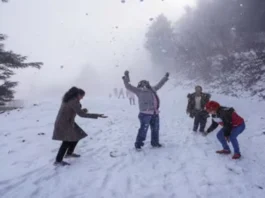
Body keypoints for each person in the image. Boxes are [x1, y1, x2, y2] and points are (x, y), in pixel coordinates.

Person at [52, 87, 107, 166]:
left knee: (77, 135)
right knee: (67, 141)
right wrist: (97, 115)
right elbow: (81, 114)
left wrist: (82, 110)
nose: (82, 97)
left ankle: (69, 153)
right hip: (64, 123)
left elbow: (75, 111)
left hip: (67, 122)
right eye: (82, 96)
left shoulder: (69, 100)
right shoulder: (73, 101)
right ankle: (58, 161)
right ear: (77, 94)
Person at [122, 70, 169, 150]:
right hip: (145, 114)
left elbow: (160, 84)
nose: (144, 84)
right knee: (143, 130)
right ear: (140, 85)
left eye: (145, 83)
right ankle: (138, 145)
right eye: (142, 83)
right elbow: (128, 86)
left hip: (155, 113)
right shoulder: (138, 91)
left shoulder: (153, 89)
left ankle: (155, 143)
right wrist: (126, 77)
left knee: (155, 129)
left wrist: (165, 77)